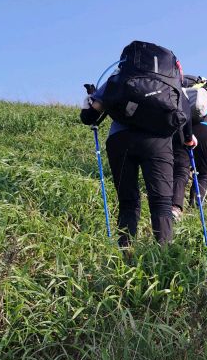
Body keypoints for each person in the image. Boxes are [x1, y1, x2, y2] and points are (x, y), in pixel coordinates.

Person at [81, 79, 196, 246]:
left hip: (120, 139)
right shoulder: (168, 79)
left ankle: (124, 256)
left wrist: (90, 99)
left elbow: (88, 117)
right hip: (158, 142)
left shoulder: (121, 75)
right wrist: (188, 136)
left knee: (128, 202)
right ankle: (163, 258)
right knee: (162, 203)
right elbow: (183, 109)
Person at [172, 76, 207, 220]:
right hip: (204, 130)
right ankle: (196, 207)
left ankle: (175, 207)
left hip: (182, 129)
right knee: (203, 173)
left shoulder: (193, 91)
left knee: (181, 170)